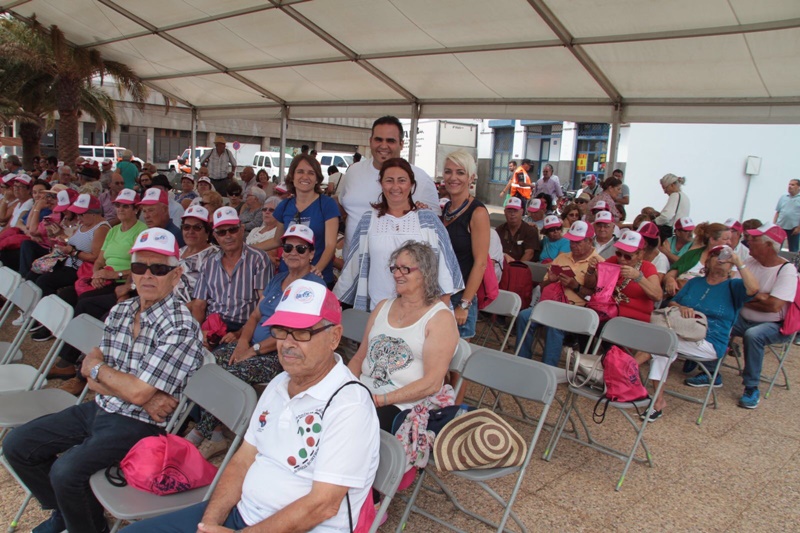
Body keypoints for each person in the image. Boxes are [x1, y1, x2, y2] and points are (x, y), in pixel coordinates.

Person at [124, 280, 380, 533]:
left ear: (334, 337)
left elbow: (322, 506)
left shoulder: (349, 405)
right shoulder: (279, 383)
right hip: (242, 514)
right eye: (281, 330)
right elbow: (243, 460)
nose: (287, 343)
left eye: (302, 332)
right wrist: (209, 523)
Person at [4, 228, 204, 533]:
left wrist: (101, 372)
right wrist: (116, 381)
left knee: (66, 471)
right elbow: (93, 373)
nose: (148, 275)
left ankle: (86, 525)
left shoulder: (180, 325)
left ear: (175, 275)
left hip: (140, 425)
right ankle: (66, 511)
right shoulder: (121, 310)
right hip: (101, 406)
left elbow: (123, 386)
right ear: (131, 273)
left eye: (159, 269)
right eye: (139, 267)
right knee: (18, 445)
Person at [185, 224, 323, 459]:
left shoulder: (312, 287)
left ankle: (201, 431)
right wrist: (242, 343)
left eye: (301, 249)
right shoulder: (278, 279)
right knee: (204, 361)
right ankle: (216, 434)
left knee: (232, 372)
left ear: (311, 254)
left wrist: (255, 350)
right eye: (288, 247)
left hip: (282, 356)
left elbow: (290, 334)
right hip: (253, 347)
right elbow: (256, 315)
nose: (293, 252)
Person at [635, 244, 758, 420]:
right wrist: (682, 307)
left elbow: (753, 289)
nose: (721, 259)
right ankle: (657, 399)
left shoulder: (734, 286)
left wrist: (738, 261)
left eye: (725, 257)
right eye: (715, 255)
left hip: (710, 341)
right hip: (680, 332)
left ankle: (623, 371)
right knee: (662, 344)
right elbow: (672, 303)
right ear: (707, 262)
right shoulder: (694, 283)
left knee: (662, 343)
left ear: (731, 264)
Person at [348, 241, 459, 433]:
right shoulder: (383, 306)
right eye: (395, 268)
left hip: (404, 406)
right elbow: (359, 357)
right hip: (364, 394)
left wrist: (379, 400)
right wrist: (346, 387)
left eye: (405, 269)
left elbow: (432, 383)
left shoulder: (440, 319)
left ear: (425, 274)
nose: (397, 274)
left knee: (355, 425)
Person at [335, 158, 463, 311]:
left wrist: (441, 313)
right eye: (389, 180)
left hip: (419, 312)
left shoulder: (428, 220)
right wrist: (333, 302)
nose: (395, 186)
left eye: (402, 180)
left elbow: (445, 269)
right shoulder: (369, 220)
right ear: (381, 184)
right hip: (379, 310)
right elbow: (353, 266)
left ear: (411, 184)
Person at [47, 189, 147, 382]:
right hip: (105, 278)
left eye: (126, 206)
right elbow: (99, 260)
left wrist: (111, 274)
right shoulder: (113, 230)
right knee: (69, 295)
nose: (120, 209)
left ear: (136, 209)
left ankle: (69, 361)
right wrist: (97, 275)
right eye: (118, 205)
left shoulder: (141, 231)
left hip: (123, 282)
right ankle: (70, 355)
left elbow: (141, 266)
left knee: (85, 303)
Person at [338, 116, 441, 254]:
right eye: (378, 139)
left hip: (397, 271)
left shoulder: (420, 178)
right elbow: (343, 207)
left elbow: (435, 229)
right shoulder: (353, 171)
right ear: (370, 141)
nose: (383, 146)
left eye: (390, 141)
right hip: (352, 266)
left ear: (401, 144)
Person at [515, 221, 603, 363]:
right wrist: (550, 280)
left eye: (577, 242)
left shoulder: (599, 263)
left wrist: (575, 286)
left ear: (589, 241)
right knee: (524, 316)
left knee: (554, 324)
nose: (573, 245)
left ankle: (548, 367)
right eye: (571, 241)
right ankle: (521, 360)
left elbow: (596, 298)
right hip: (551, 304)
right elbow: (543, 287)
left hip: (577, 310)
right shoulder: (562, 257)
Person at [730, 224, 798, 409]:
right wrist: (759, 296)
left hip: (775, 325)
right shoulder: (750, 263)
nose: (748, 241)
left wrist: (748, 297)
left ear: (769, 245)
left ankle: (751, 388)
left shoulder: (787, 270)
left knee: (754, 335)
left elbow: (773, 306)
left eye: (754, 239)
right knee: (718, 319)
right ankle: (709, 371)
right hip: (743, 318)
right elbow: (732, 292)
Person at [29, 194, 110, 338]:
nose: (78, 217)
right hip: (69, 263)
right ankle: (41, 316)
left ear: (93, 213)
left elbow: (96, 257)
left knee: (45, 282)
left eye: (81, 214)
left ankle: (50, 323)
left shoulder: (101, 228)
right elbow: (74, 242)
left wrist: (73, 251)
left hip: (79, 269)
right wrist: (62, 239)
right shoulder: (84, 224)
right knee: (35, 275)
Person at [258, 154, 340, 288]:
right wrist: (247, 248)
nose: (305, 177)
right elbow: (277, 241)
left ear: (317, 178)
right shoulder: (284, 205)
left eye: (311, 173)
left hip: (318, 279)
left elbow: (330, 246)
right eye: (300, 172)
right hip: (288, 277)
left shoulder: (327, 204)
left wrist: (315, 271)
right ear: (292, 176)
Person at [191, 206, 273, 335]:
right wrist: (198, 334)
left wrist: (241, 333)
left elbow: (262, 304)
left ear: (241, 229)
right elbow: (199, 305)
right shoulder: (209, 263)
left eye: (233, 230)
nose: (228, 236)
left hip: (245, 326)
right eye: (222, 232)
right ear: (216, 236)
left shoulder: (258, 259)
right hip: (213, 325)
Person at [441, 149, 490, 340]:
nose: (453, 177)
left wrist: (464, 304)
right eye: (448, 171)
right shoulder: (446, 208)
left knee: (456, 366)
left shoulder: (477, 213)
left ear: (471, 177)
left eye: (460, 172)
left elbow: (481, 263)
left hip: (461, 297)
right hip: (441, 295)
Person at [584, 230, 663, 322]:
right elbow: (590, 285)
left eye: (628, 256)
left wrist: (638, 277)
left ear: (640, 254)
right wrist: (591, 270)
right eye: (619, 253)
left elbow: (657, 296)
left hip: (634, 318)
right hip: (606, 312)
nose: (622, 259)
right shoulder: (613, 261)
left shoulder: (648, 267)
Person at [664, 222, 731, 297]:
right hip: (680, 296)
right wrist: (670, 280)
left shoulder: (729, 261)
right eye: (726, 239)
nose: (729, 242)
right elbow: (672, 273)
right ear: (712, 240)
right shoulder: (692, 254)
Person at [174, 205, 218, 304]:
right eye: (186, 227)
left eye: (197, 227)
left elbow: (209, 298)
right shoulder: (177, 252)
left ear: (207, 232)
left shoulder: (214, 257)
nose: (190, 231)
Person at [496, 197, 540, 263]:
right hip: (501, 265)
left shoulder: (530, 231)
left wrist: (516, 266)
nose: (512, 214)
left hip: (522, 267)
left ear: (522, 212)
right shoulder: (499, 230)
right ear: (505, 212)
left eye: (515, 211)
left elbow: (529, 253)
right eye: (509, 211)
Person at [247, 195, 281, 267]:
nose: (267, 212)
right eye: (264, 209)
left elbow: (272, 254)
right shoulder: (254, 230)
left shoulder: (278, 232)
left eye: (271, 210)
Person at [774, 179, 800, 252]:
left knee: (793, 249)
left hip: (793, 228)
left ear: (799, 187)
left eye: (793, 185)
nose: (790, 186)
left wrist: (799, 228)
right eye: (789, 184)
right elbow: (778, 212)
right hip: (780, 226)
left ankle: (793, 263)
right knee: (777, 246)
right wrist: (774, 224)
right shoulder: (783, 197)